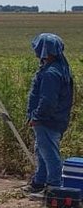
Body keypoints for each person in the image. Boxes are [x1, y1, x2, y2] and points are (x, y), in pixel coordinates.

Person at [24, 33, 74, 196]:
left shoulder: (51, 73)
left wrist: (37, 117)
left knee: (49, 154)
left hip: (48, 120)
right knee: (42, 151)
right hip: (53, 119)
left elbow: (48, 101)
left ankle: (54, 187)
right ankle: (39, 182)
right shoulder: (57, 67)